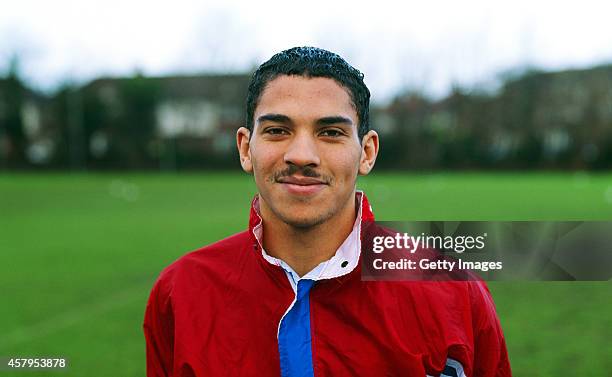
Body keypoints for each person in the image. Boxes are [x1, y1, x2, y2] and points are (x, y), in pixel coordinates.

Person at [144, 46, 512, 377]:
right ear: (245, 148)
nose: (302, 155)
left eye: (331, 132)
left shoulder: (452, 289)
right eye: (277, 130)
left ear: (367, 152)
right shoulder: (180, 293)